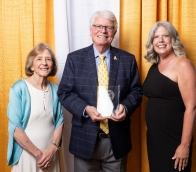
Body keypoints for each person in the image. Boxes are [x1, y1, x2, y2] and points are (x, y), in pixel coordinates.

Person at [57, 10, 142, 172]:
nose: (103, 31)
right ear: (90, 30)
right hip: (84, 139)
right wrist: (85, 109)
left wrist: (125, 106)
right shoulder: (75, 59)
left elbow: (136, 91)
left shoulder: (127, 59)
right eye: (98, 26)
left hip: (116, 141)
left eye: (108, 27)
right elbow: (64, 92)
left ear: (114, 32)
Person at [143, 21, 196, 172]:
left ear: (172, 39)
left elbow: (191, 107)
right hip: (155, 139)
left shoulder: (183, 65)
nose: (160, 40)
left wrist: (184, 145)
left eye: (165, 36)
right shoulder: (154, 68)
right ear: (152, 41)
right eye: (156, 37)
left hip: (175, 140)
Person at [7, 42, 64, 172]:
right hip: (27, 155)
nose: (44, 63)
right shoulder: (19, 88)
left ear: (52, 66)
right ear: (31, 66)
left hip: (50, 156)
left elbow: (60, 122)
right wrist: (39, 155)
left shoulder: (56, 90)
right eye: (39, 59)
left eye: (48, 59)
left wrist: (52, 151)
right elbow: (15, 129)